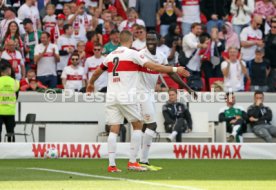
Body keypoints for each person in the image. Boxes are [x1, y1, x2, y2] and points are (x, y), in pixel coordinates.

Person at [86, 30, 189, 173]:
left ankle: (112, 165)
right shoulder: (133, 54)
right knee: (138, 126)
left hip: (111, 96)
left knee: (114, 129)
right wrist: (175, 68)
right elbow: (153, 66)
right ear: (132, 40)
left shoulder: (110, 55)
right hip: (126, 96)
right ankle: (133, 162)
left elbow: (97, 71)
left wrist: (90, 84)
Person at [138, 31, 192, 171]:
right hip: (139, 93)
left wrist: (187, 88)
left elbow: (171, 73)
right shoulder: (141, 54)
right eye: (148, 38)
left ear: (157, 41)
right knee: (151, 126)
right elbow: (160, 68)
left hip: (150, 94)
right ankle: (142, 160)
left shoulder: (161, 56)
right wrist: (174, 68)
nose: (150, 41)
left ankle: (138, 160)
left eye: (152, 39)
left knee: (144, 126)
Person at [182, 23, 208, 91]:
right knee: (191, 87)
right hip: (189, 66)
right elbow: (191, 45)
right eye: (197, 29)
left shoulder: (197, 38)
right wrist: (202, 45)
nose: (199, 30)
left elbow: (198, 52)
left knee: (198, 87)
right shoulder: (187, 37)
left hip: (197, 67)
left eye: (200, 29)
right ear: (192, 29)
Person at [0, 59, 20, 142]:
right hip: (10, 111)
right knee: (11, 132)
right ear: (9, 71)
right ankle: (11, 148)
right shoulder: (16, 82)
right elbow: (17, 96)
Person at [265, 17, 276, 92]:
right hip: (269, 67)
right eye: (271, 27)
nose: (273, 28)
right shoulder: (268, 36)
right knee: (270, 88)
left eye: (275, 27)